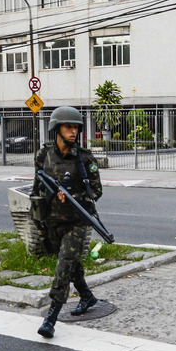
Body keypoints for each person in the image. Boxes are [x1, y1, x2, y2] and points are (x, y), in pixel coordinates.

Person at [32, 106, 105, 339]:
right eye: (68, 127)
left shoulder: (84, 158)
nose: (73, 132)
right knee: (71, 263)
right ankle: (86, 296)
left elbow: (96, 191)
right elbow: (37, 188)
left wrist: (75, 197)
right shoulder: (43, 155)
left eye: (76, 127)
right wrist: (39, 217)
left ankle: (51, 318)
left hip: (76, 221)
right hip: (52, 220)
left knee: (63, 266)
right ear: (57, 129)